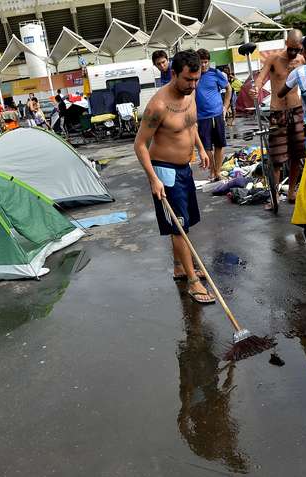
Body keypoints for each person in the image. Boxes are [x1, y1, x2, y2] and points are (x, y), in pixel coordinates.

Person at [134, 50, 214, 305]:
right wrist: (153, 178)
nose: (193, 85)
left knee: (182, 221)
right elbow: (140, 145)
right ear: (174, 73)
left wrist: (200, 148)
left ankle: (180, 266)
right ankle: (192, 281)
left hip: (185, 168)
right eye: (188, 80)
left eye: (196, 79)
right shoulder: (158, 106)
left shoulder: (190, 95)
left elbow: (190, 124)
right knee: (180, 227)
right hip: (165, 172)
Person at [252, 29, 306, 207]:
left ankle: (291, 192)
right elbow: (260, 78)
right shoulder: (274, 59)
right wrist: (256, 88)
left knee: (297, 155)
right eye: (291, 49)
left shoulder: (301, 60)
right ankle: (274, 197)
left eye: (296, 50)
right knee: (276, 159)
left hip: (297, 111)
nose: (293, 53)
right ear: (286, 43)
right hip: (278, 114)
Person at [195, 48, 231, 182]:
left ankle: (218, 171)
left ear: (209, 62)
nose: (203, 65)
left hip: (217, 114)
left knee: (220, 144)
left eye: (205, 62)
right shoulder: (194, 76)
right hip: (202, 117)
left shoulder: (215, 73)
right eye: (201, 63)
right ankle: (212, 170)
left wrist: (225, 107)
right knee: (206, 147)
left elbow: (229, 88)